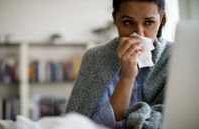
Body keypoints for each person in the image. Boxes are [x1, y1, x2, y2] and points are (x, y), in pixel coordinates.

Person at [66, 0, 172, 129]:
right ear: (115, 19)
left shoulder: (174, 57)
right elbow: (84, 124)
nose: (139, 34)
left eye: (149, 22)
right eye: (128, 22)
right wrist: (127, 77)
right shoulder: (95, 57)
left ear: (161, 19)